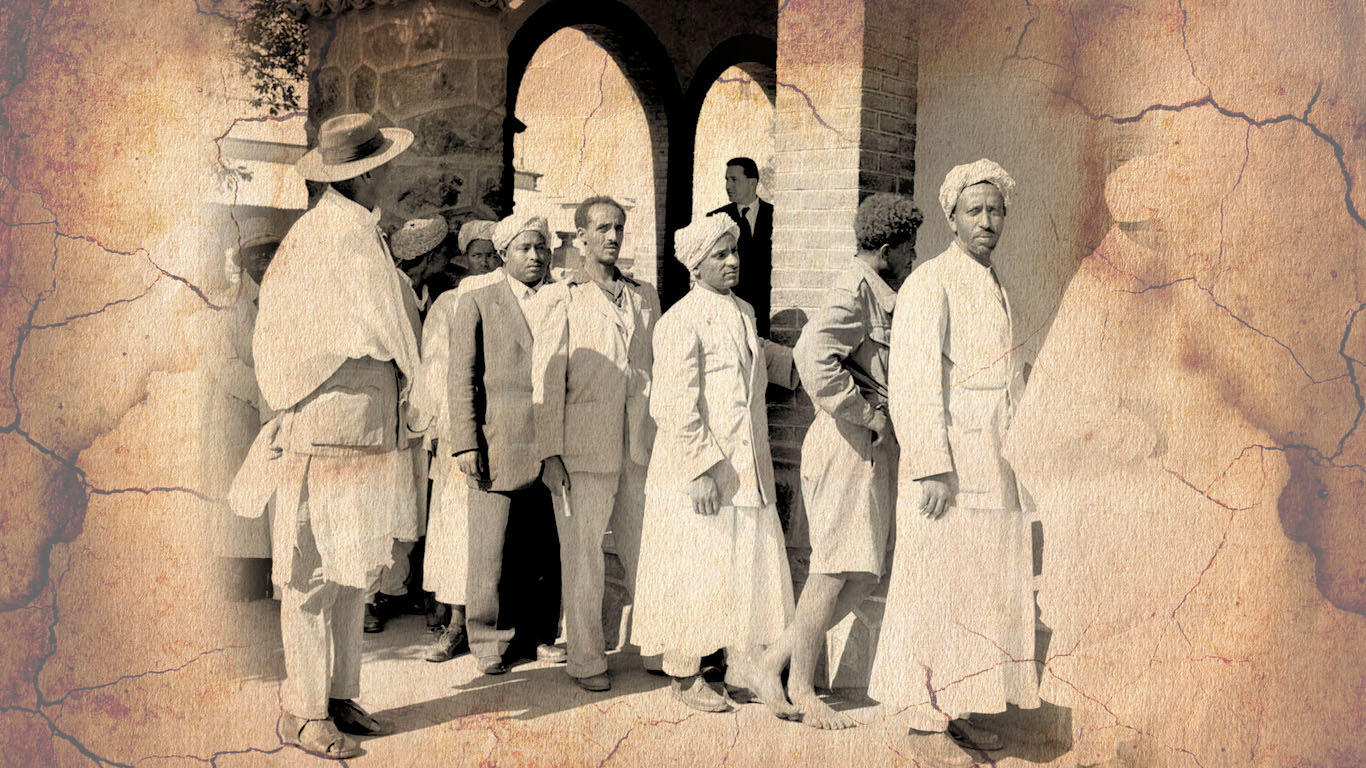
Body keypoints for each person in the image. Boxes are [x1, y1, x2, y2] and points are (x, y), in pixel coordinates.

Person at [230, 112, 423, 760]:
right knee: (312, 573)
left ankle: (339, 695)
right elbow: (284, 342)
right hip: (327, 422)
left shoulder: (357, 233)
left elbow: (394, 329)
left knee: (350, 571)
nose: (388, 176)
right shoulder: (327, 235)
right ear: (364, 173)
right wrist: (301, 401)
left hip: (364, 424)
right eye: (381, 167)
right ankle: (307, 714)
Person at [869, 159, 1040, 766]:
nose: (987, 221)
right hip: (949, 471)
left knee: (976, 592)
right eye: (975, 211)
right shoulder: (930, 282)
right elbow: (913, 383)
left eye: (995, 210)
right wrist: (933, 466)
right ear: (952, 217)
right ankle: (924, 725)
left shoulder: (994, 282)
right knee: (936, 588)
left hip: (992, 462)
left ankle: (960, 709)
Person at [750, 193, 923, 729]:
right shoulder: (853, 292)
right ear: (887, 249)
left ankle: (773, 660)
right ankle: (801, 688)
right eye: (910, 248)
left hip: (865, 451)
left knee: (863, 574)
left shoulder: (879, 291)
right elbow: (810, 356)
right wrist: (868, 413)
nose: (915, 256)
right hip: (846, 445)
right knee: (831, 568)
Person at [630, 215, 799, 713]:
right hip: (696, 471)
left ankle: (728, 667)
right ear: (695, 266)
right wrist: (700, 470)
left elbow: (756, 365)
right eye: (719, 256)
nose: (731, 262)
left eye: (734, 253)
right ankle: (686, 675)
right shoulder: (679, 320)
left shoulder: (743, 310)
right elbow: (674, 404)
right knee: (693, 568)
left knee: (731, 570)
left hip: (744, 470)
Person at [528, 196, 660, 692]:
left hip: (639, 446)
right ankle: (585, 659)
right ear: (580, 236)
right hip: (581, 449)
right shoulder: (560, 297)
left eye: (619, 227)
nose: (612, 236)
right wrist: (550, 454)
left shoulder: (644, 296)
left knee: (645, 548)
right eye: (602, 228)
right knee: (582, 558)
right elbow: (545, 382)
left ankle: (656, 644)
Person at [447, 210, 566, 676]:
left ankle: (540, 635)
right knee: (491, 548)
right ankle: (489, 639)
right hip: (497, 442)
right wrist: (465, 443)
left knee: (543, 547)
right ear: (503, 254)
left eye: (540, 248)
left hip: (551, 445)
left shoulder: (560, 300)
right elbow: (461, 378)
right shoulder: (479, 301)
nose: (534, 256)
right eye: (524, 248)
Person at [419, 217, 499, 662]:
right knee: (454, 528)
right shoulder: (448, 305)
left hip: (500, 429)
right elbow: (435, 370)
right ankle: (454, 623)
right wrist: (447, 430)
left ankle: (491, 625)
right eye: (477, 255)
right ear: (464, 259)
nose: (486, 262)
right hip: (459, 432)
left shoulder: (508, 299)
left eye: (492, 255)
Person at [360, 217, 445, 634]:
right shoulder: (390, 290)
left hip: (416, 414)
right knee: (382, 503)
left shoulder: (424, 292)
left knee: (409, 503)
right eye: (441, 253)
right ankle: (366, 596)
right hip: (392, 412)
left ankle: (394, 587)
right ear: (427, 258)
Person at [210, 216, 282, 602]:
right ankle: (244, 578)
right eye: (255, 254)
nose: (264, 261)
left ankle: (271, 576)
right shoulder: (227, 305)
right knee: (240, 492)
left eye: (271, 251)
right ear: (243, 260)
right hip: (240, 409)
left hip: (277, 408)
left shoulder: (288, 296)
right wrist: (263, 394)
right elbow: (223, 363)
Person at [707, 157, 773, 337]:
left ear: (752, 183)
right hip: (731, 310)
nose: (728, 186)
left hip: (768, 312)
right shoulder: (717, 218)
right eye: (726, 180)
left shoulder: (775, 214)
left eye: (734, 179)